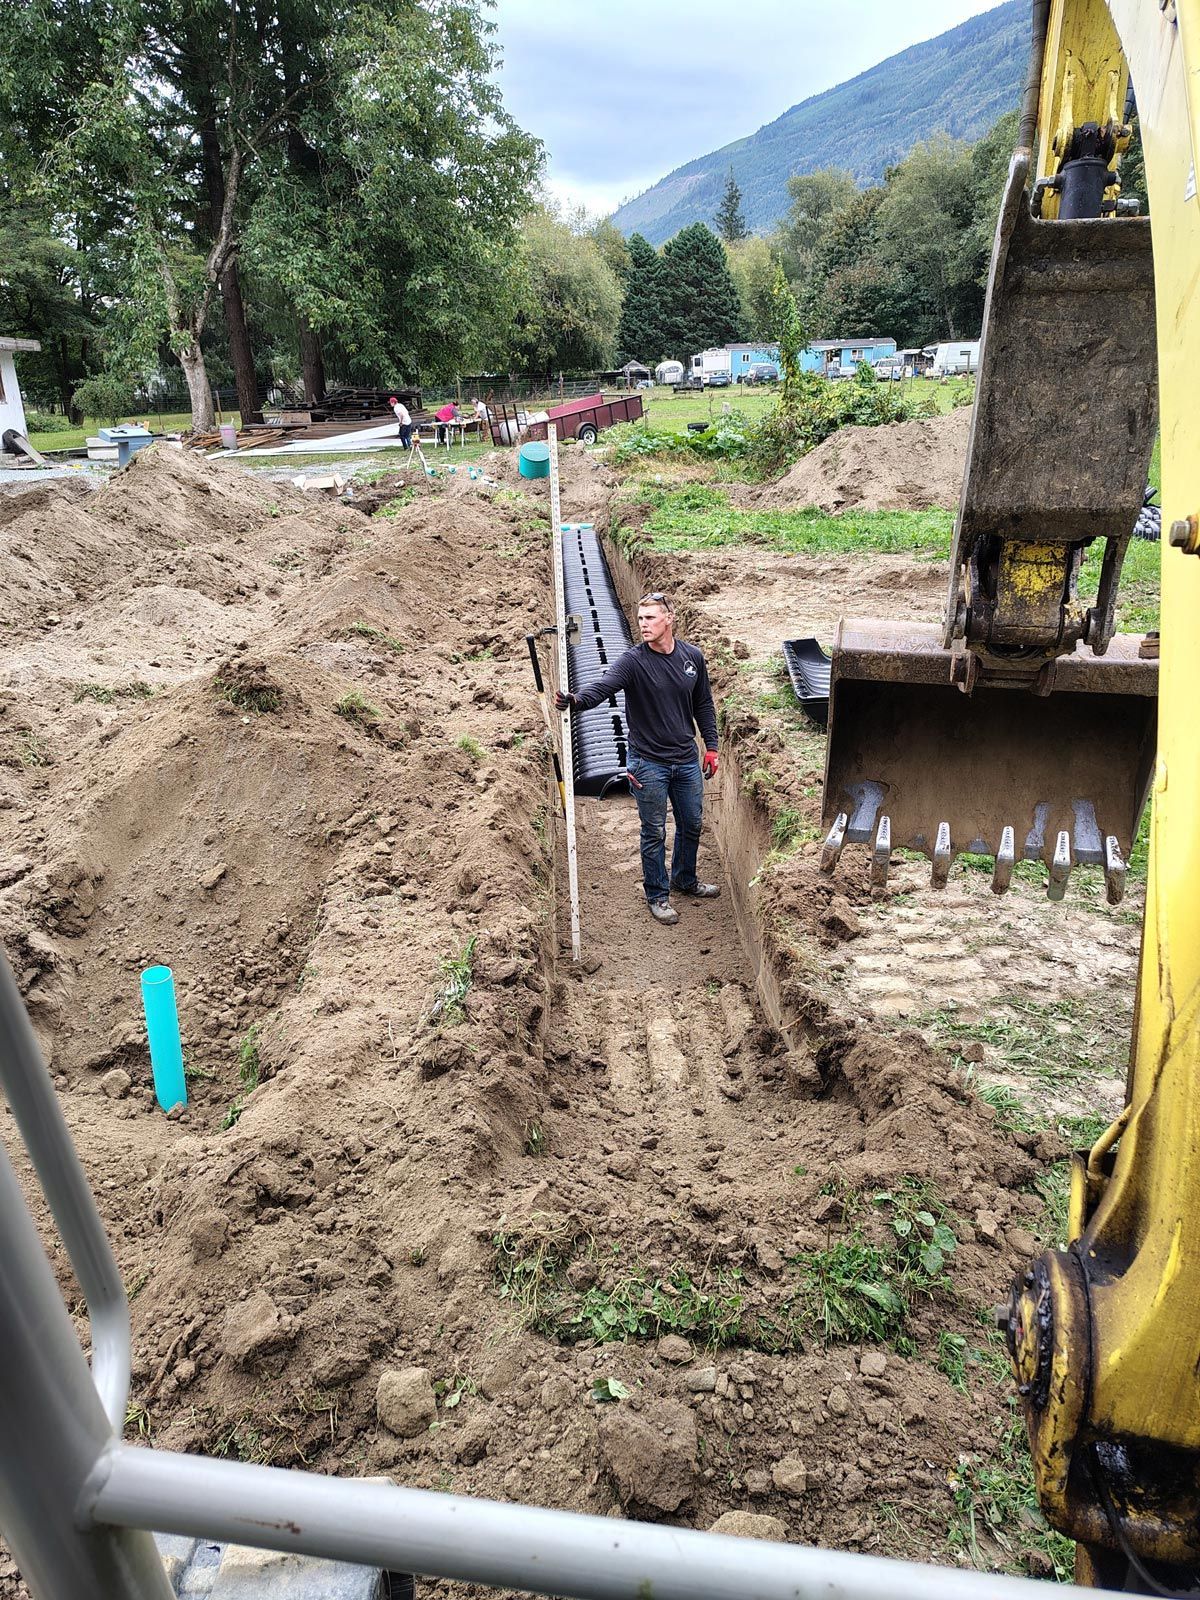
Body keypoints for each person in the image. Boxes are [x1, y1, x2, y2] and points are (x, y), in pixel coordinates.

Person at [555, 591, 719, 926]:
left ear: (669, 619)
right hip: (648, 763)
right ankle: (658, 895)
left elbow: (703, 704)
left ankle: (684, 879)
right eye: (640, 618)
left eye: (650, 618)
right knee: (654, 830)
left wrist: (712, 747)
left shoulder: (692, 658)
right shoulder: (633, 661)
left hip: (687, 759)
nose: (643, 624)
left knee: (692, 823)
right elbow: (602, 687)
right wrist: (575, 700)